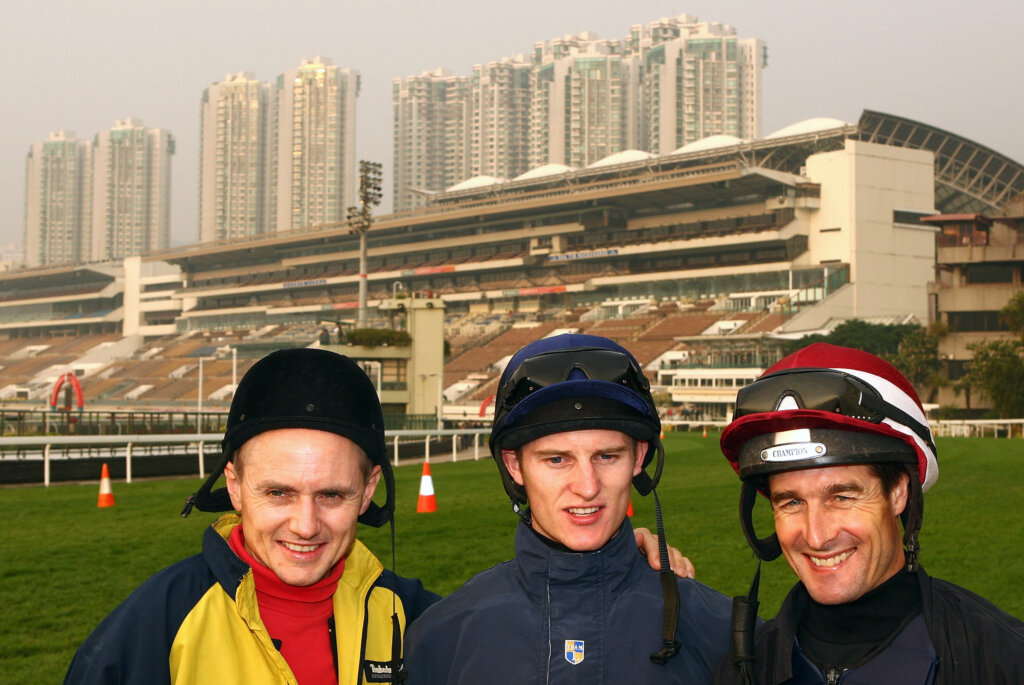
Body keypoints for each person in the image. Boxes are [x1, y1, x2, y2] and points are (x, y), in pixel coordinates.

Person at [64, 348, 439, 684]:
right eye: (278, 493)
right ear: (234, 486)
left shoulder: (425, 619)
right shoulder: (155, 624)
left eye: (331, 495)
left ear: (369, 491)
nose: (305, 526)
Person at [405, 333, 733, 683]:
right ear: (515, 465)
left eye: (606, 456)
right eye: (557, 459)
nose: (587, 487)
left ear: (638, 457)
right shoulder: (439, 636)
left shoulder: (726, 633)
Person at [714, 343, 1024, 685]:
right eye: (792, 502)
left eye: (842, 497)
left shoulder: (1004, 661)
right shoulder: (741, 669)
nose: (816, 536)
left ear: (899, 493)